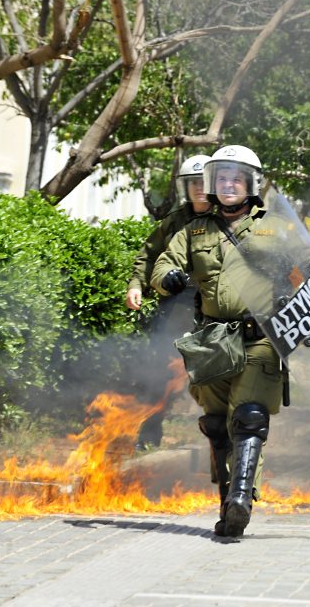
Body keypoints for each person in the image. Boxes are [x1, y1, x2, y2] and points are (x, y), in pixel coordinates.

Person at [152, 144, 286, 537]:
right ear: (213, 184)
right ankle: (228, 502)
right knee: (216, 424)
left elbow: (308, 271)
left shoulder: (275, 228)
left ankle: (241, 498)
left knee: (248, 418)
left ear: (250, 184)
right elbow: (164, 263)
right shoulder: (195, 230)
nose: (228, 185)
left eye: (236, 178)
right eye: (222, 178)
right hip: (212, 340)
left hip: (260, 338)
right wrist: (167, 278)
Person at [125, 154, 212, 449]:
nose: (199, 188)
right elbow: (148, 256)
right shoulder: (173, 222)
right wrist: (136, 284)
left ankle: (227, 440)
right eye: (193, 183)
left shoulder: (229, 219)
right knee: (159, 367)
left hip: (218, 307)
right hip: (178, 303)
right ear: (184, 187)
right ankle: (149, 432)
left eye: (204, 182)